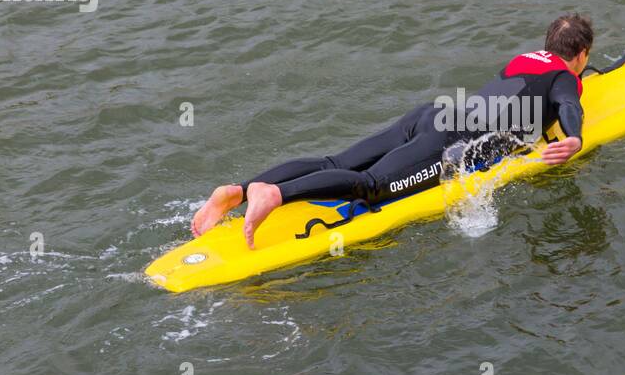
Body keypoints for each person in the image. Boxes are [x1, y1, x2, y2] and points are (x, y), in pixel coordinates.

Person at [191, 14, 594, 248]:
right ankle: (276, 194)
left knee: (337, 161)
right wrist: (573, 138)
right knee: (371, 185)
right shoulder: (563, 76)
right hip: (448, 142)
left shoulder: (522, 60)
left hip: (431, 115)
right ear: (581, 55)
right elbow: (568, 105)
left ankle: (239, 190)